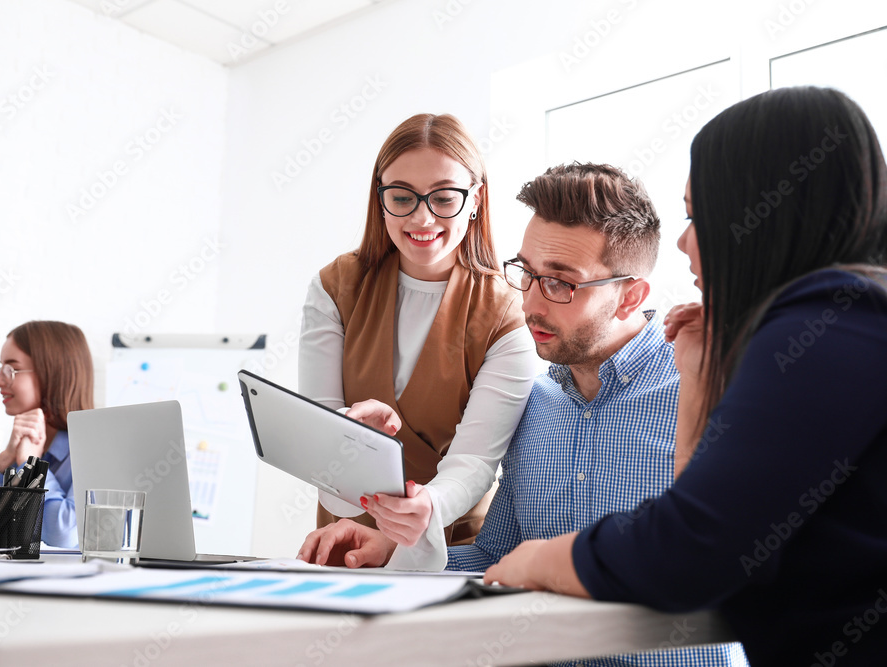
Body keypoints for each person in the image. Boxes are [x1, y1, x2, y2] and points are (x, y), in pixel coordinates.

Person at [484, 87, 887, 666]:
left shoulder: (832, 320)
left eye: (700, 214)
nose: (684, 241)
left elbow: (695, 547)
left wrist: (544, 558)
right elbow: (726, 525)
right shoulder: (840, 321)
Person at [299, 162, 749, 665]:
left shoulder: (704, 387)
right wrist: (391, 551)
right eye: (527, 274)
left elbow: (733, 563)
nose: (531, 303)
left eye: (560, 283)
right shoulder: (535, 405)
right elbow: (497, 558)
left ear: (631, 296)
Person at [298, 113, 536, 567]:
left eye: (444, 197)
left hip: (448, 545)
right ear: (380, 198)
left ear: (475, 200)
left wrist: (423, 513)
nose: (422, 217)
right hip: (341, 539)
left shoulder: (508, 311)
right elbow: (318, 437)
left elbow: (474, 463)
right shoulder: (336, 287)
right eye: (402, 197)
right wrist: (349, 445)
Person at [0, 320, 94, 548]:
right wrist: (4, 464)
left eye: (11, 369)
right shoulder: (22, 448)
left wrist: (33, 467)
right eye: (0, 368)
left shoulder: (96, 450)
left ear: (52, 373)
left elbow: (64, 535)